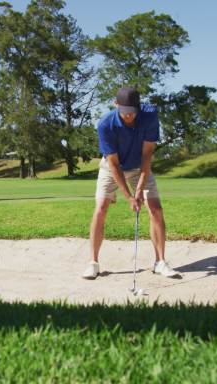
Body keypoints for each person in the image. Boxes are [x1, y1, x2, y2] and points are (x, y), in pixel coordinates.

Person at [82, 87, 179, 280]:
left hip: (139, 166)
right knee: (101, 207)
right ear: (115, 104)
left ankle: (160, 262)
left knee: (155, 208)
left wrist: (140, 189)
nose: (129, 115)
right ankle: (93, 263)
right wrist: (129, 197)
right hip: (111, 168)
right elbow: (114, 164)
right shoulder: (105, 125)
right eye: (125, 110)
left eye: (133, 110)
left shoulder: (149, 116)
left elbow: (147, 155)